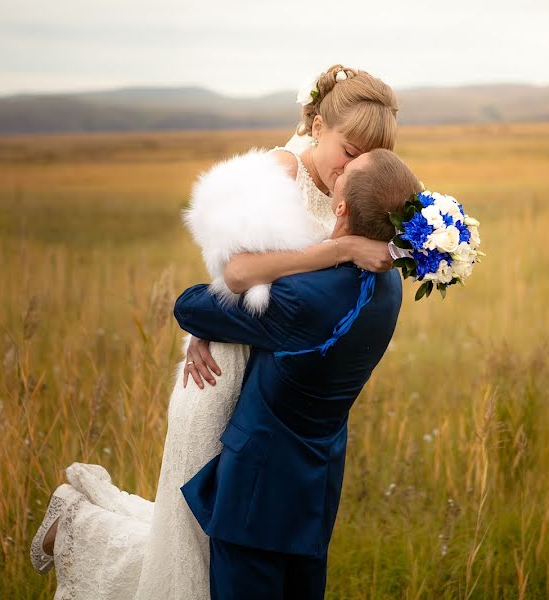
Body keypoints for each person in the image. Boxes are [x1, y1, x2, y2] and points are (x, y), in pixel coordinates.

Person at [29, 65, 402, 599]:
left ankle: (80, 524)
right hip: (224, 366)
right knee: (192, 542)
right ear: (317, 126)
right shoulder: (280, 170)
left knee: (215, 542)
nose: (354, 167)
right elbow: (237, 272)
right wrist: (341, 250)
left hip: (278, 364)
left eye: (368, 157)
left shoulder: (352, 185)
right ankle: (80, 526)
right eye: (349, 149)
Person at [176, 148, 423, 599]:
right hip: (316, 489)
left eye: (347, 171)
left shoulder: (302, 299)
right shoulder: (389, 284)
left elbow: (191, 305)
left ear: (342, 207)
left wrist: (327, 250)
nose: (339, 169)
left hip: (256, 496)